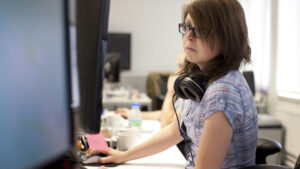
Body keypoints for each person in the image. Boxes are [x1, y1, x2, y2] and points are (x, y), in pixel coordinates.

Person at [88, 0, 258, 168]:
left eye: (201, 30)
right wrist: (123, 156)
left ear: (227, 37)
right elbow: (175, 131)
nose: (189, 36)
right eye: (187, 27)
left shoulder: (223, 91)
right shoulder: (200, 81)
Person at [115, 51, 185, 128]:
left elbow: (166, 123)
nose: (177, 72)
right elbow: (163, 114)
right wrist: (133, 114)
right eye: (178, 66)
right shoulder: (183, 95)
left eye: (181, 66)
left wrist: (170, 92)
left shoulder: (188, 98)